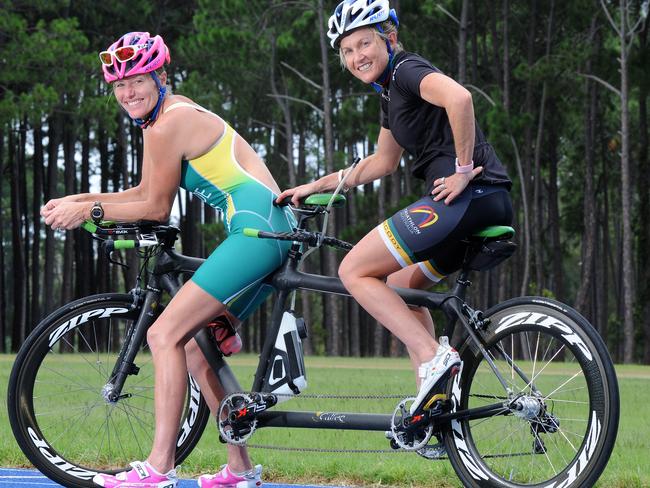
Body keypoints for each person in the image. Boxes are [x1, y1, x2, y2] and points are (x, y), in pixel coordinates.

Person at [41, 31, 294, 488]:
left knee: (163, 334)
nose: (128, 93)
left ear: (160, 76)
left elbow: (156, 208)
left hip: (259, 230)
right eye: (118, 85)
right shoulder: (168, 117)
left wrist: (89, 211)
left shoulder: (167, 124)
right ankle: (241, 469)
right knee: (198, 349)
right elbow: (142, 193)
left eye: (137, 79)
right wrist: (78, 199)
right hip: (271, 229)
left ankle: (158, 469)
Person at [278, 0, 513, 415]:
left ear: (389, 38)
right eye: (347, 51)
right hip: (482, 201)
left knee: (354, 270)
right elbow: (380, 163)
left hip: (464, 196)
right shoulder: (390, 92)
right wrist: (315, 185)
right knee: (404, 289)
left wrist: (462, 171)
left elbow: (459, 99)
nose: (356, 57)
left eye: (364, 43)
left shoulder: (405, 71)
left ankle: (434, 356)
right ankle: (434, 411)